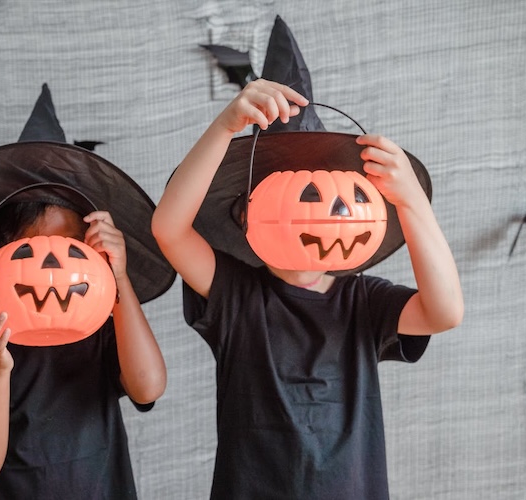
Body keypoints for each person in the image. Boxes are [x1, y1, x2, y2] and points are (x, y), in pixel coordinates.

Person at [152, 78, 464, 499]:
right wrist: (225, 127)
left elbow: (444, 312)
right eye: (297, 198)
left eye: (333, 201)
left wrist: (411, 201)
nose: (312, 217)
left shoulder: (365, 302)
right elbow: (169, 229)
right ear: (246, 216)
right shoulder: (236, 296)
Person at [0, 83, 176, 498]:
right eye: (29, 250)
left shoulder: (103, 332)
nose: (51, 269)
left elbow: (149, 385)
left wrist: (119, 278)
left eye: (71, 250)